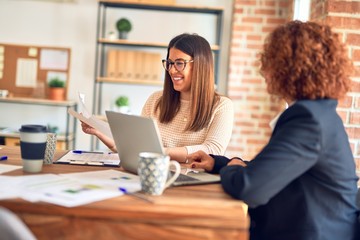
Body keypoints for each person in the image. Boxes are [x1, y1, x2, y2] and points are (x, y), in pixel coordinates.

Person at [186, 21, 359, 240]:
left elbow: (250, 188)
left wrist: (231, 169)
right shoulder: (318, 114)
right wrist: (218, 163)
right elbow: (273, 169)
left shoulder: (308, 120)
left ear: (289, 68)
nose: (263, 70)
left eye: (270, 62)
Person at [81, 33, 234, 162]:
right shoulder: (156, 100)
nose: (172, 70)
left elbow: (213, 150)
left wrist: (160, 152)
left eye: (180, 63)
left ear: (201, 65)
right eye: (170, 63)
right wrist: (100, 132)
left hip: (194, 185)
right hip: (155, 175)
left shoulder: (221, 106)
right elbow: (136, 147)